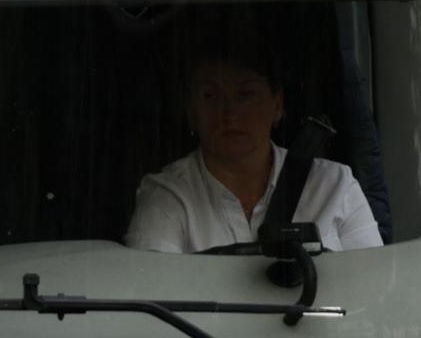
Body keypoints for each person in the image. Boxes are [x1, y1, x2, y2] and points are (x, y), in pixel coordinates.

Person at [124, 54, 380, 254]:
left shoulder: (334, 186)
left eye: (245, 95)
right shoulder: (167, 195)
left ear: (277, 104)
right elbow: (156, 300)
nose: (229, 114)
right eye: (211, 96)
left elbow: (374, 294)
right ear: (192, 112)